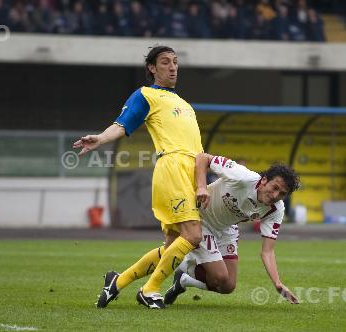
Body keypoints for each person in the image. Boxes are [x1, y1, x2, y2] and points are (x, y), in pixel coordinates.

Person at [73, 45, 204, 309]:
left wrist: (202, 180)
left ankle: (117, 282)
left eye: (176, 62)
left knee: (171, 245)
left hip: (190, 171)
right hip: (173, 167)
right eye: (165, 62)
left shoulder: (184, 104)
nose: (173, 67)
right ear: (152, 68)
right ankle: (150, 289)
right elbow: (123, 123)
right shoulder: (146, 95)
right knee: (193, 236)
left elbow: (198, 150)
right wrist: (100, 138)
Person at [164, 153, 300, 305]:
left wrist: (277, 283)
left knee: (228, 286)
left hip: (226, 229)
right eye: (275, 188)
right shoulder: (243, 176)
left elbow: (267, 251)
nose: (275, 195)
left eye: (282, 194)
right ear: (264, 180)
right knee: (220, 276)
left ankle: (183, 280)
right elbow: (202, 158)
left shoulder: (276, 209)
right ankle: (178, 259)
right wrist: (202, 187)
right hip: (201, 219)